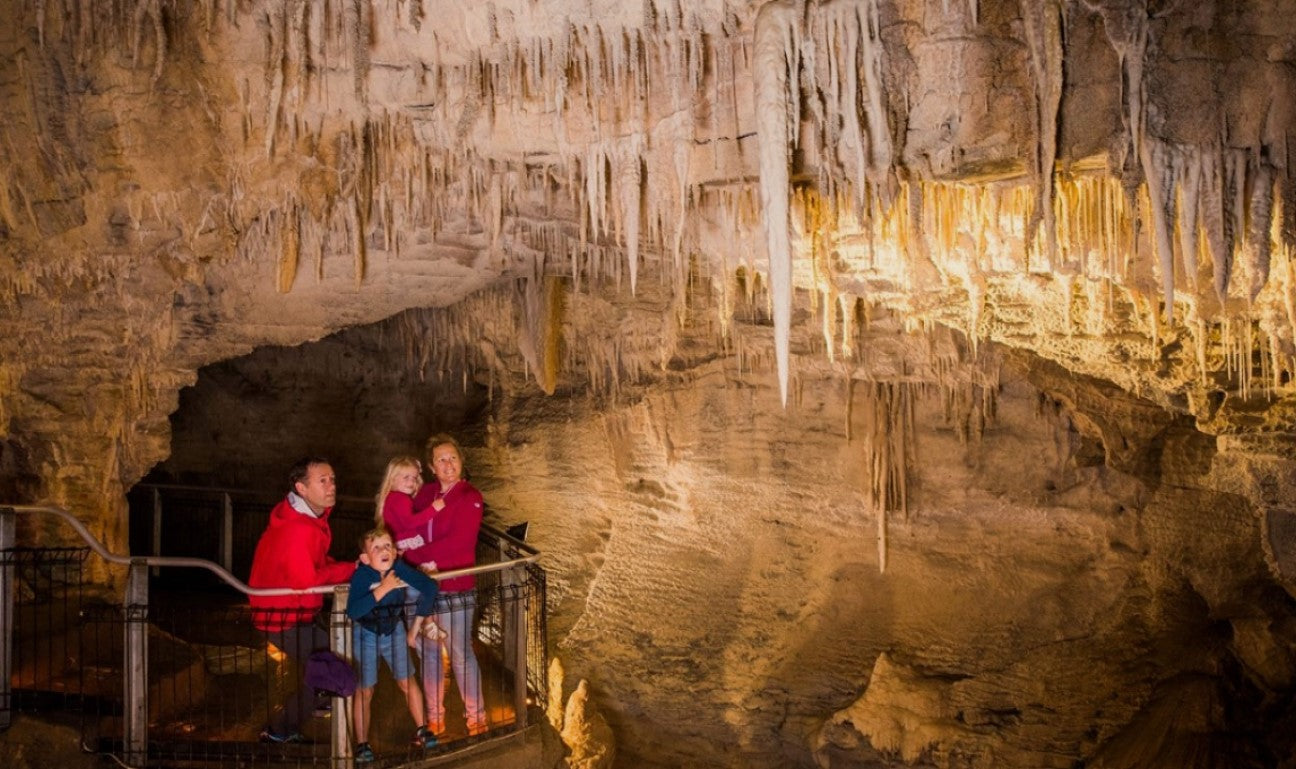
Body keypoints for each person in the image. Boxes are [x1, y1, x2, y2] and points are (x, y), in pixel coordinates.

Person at [248, 457, 357, 744]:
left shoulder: (305, 519)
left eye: (332, 479)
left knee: (332, 657)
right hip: (283, 618)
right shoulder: (300, 529)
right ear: (302, 487)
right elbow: (306, 580)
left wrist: (346, 568)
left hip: (284, 613)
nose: (331, 485)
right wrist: (352, 570)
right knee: (335, 666)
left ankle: (318, 700)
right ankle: (280, 729)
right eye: (322, 480)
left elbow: (314, 564)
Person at [410, 435, 487, 737]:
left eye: (453, 457)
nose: (448, 464)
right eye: (441, 459)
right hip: (422, 589)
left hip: (455, 588)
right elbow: (407, 529)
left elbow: (460, 544)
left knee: (460, 655)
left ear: (461, 461)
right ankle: (434, 721)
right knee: (429, 655)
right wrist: (415, 555)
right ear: (431, 467)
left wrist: (417, 556)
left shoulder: (470, 496)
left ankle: (477, 721)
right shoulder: (425, 494)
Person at [346, 527, 442, 762]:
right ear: (365, 558)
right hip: (365, 632)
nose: (384, 550)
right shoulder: (362, 576)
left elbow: (430, 587)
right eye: (376, 547)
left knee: (406, 681)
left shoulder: (397, 568)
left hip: (393, 629)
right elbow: (353, 610)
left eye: (388, 545)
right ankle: (362, 744)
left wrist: (415, 627)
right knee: (365, 689)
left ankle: (422, 729)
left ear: (395, 551)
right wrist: (384, 588)